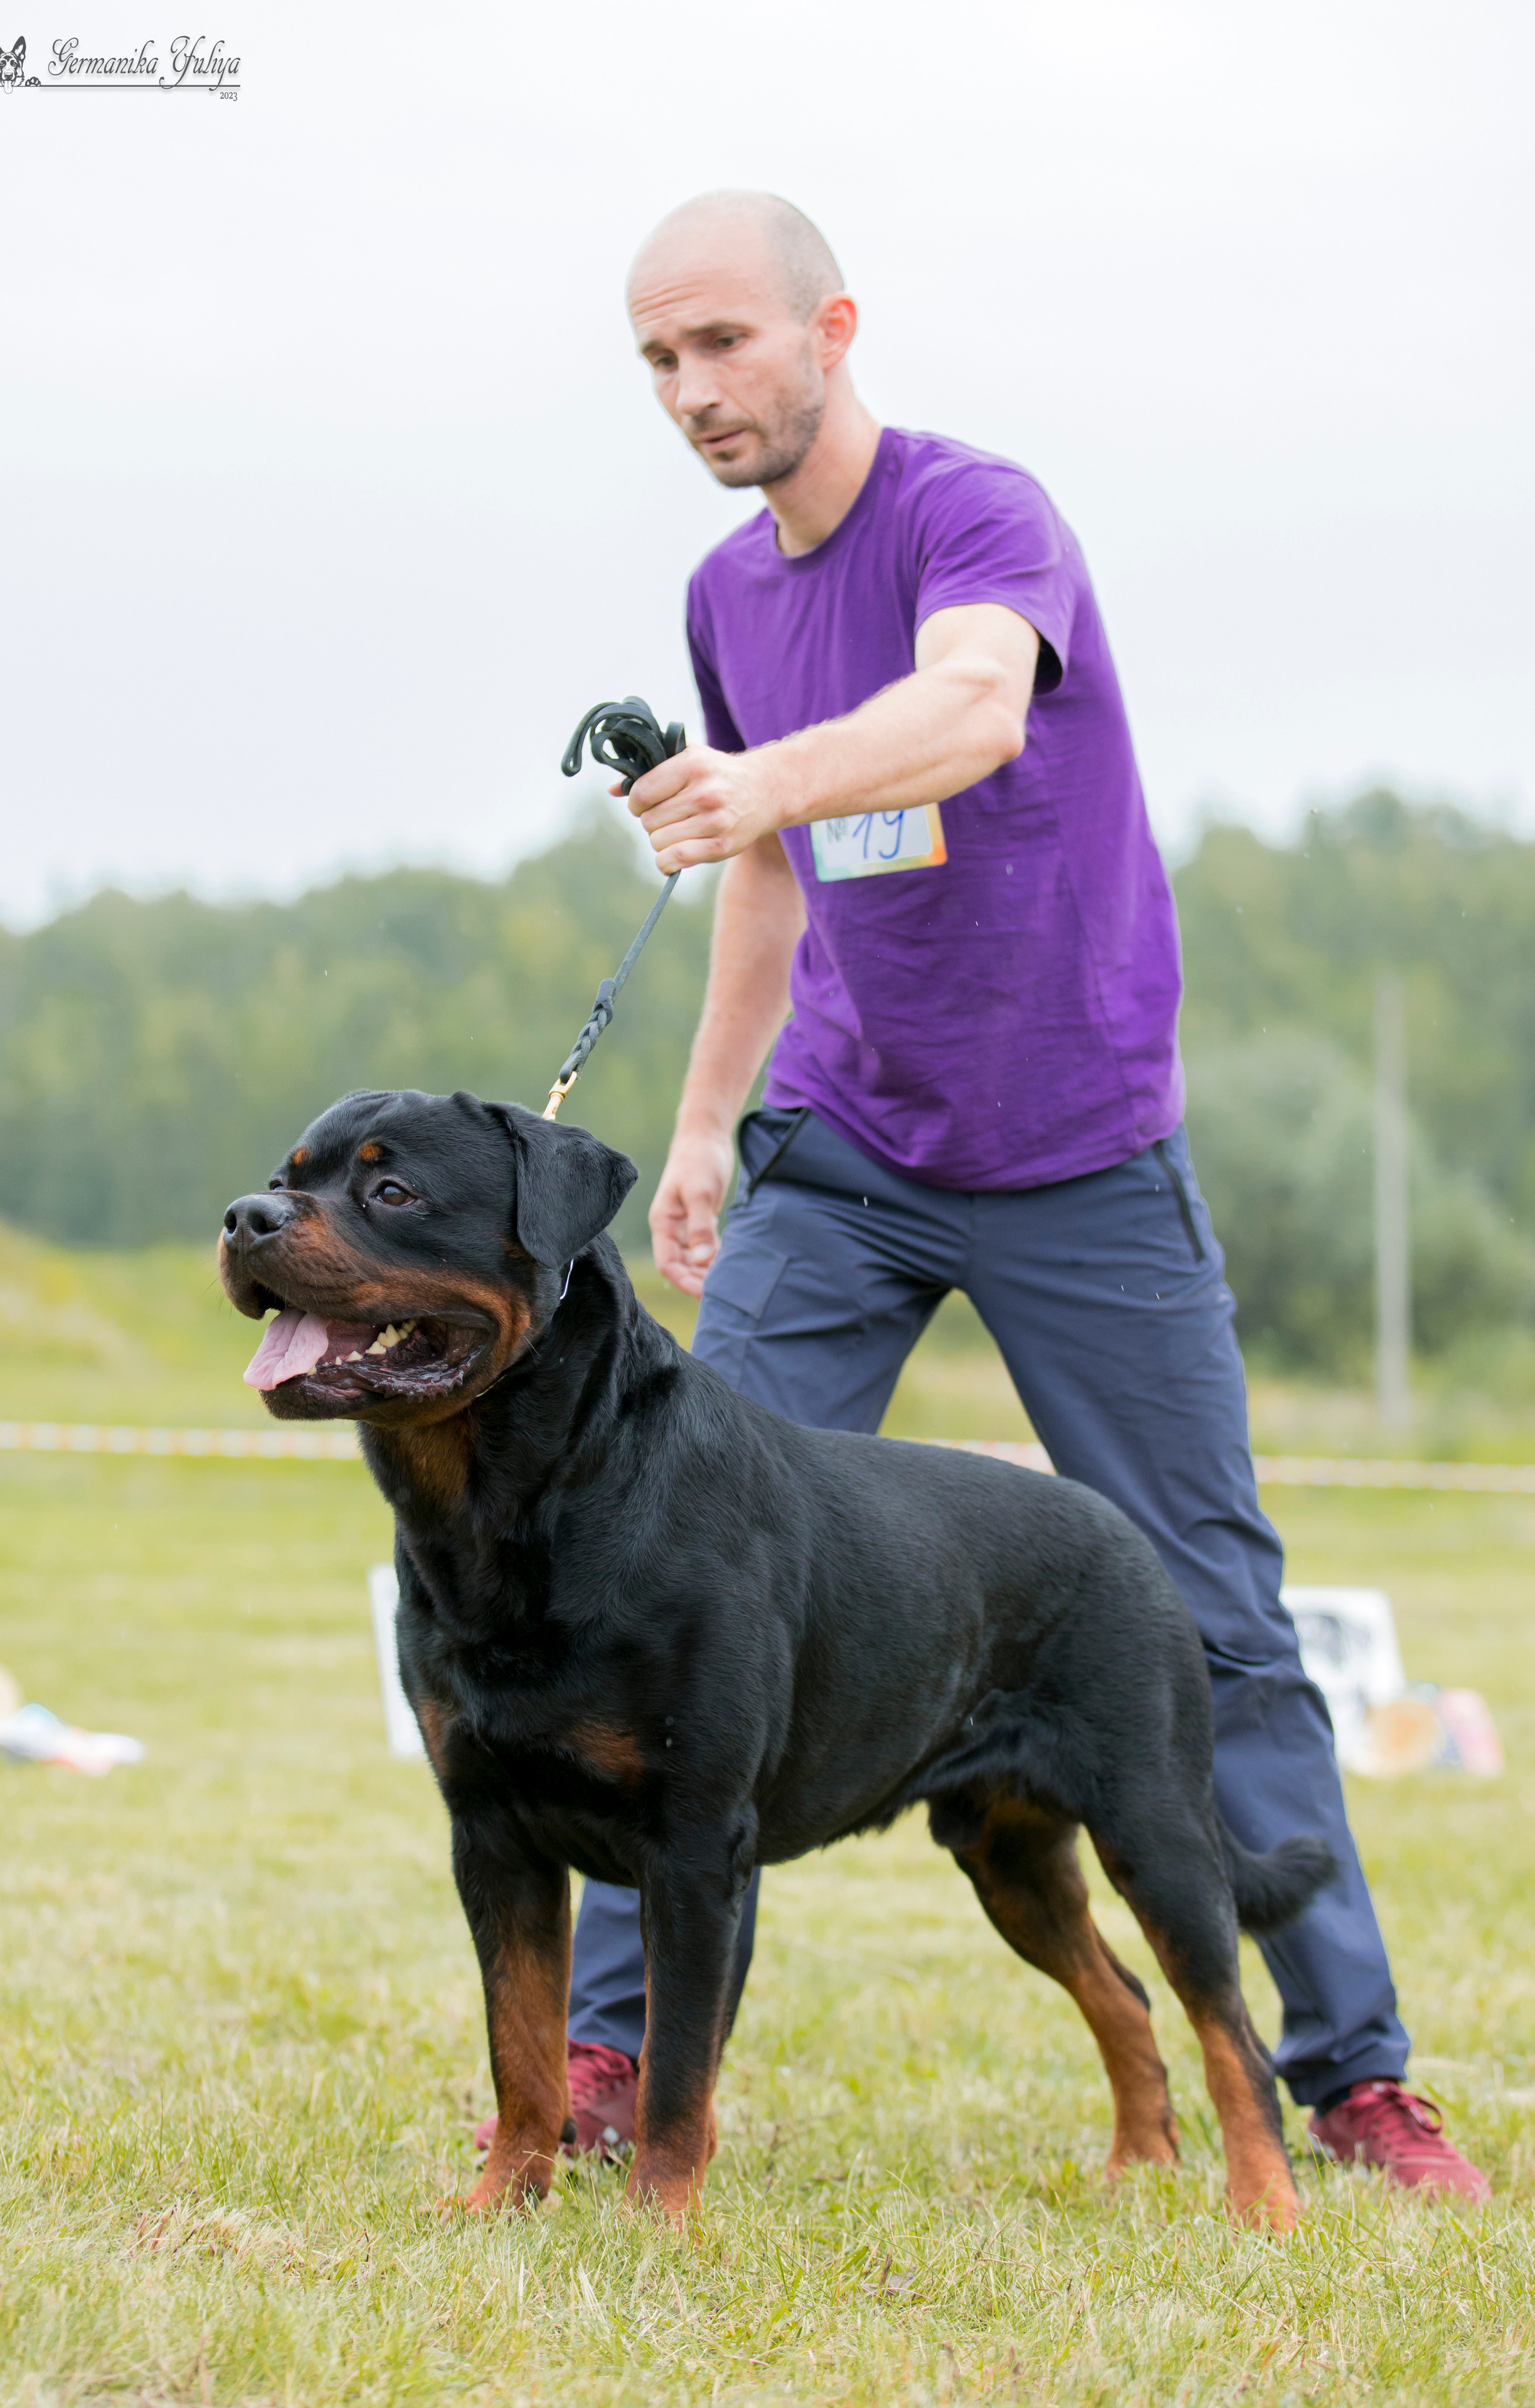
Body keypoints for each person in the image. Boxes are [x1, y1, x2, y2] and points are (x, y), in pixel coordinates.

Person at [479, 190, 1487, 2200]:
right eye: (657, 363)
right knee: (652, 1568)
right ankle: (600, 2066)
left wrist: (762, 778)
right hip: (841, 1155)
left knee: (1214, 1613)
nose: (692, 393)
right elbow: (766, 868)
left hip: (1079, 1156)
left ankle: (1354, 2077)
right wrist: (701, 1125)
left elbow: (968, 714)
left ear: (833, 327)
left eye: (725, 347)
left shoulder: (976, 517)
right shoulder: (724, 593)